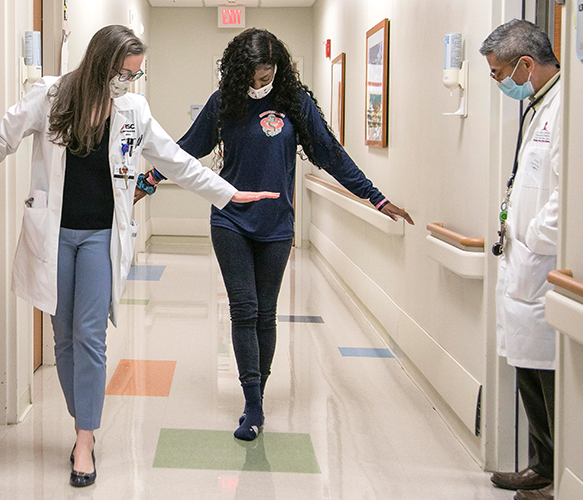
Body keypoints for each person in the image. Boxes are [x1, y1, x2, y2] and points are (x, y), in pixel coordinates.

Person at [0, 25, 277, 488]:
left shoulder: (133, 110)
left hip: (100, 236)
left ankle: (85, 439)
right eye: (122, 73)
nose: (126, 83)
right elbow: (0, 135)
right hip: (54, 235)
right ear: (100, 63)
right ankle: (82, 419)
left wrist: (228, 194)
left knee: (90, 336)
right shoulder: (51, 96)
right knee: (63, 337)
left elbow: (176, 161)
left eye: (133, 74)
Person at [137, 28, 413, 442]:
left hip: (277, 225)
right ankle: (252, 405)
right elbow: (187, 148)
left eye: (266, 77)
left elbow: (330, 154)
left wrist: (375, 197)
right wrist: (150, 178)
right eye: (252, 78)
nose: (258, 85)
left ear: (277, 70)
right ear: (237, 72)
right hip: (230, 219)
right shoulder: (224, 102)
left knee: (266, 313)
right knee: (243, 310)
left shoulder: (295, 104)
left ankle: (258, 394)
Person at [481, 19, 562, 500]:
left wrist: (532, 236)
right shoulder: (538, 106)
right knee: (528, 368)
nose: (498, 82)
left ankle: (552, 470)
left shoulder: (566, 110)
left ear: (525, 65)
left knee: (547, 377)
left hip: (543, 266)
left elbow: (566, 195)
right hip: (526, 268)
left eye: (498, 73)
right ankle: (541, 465)